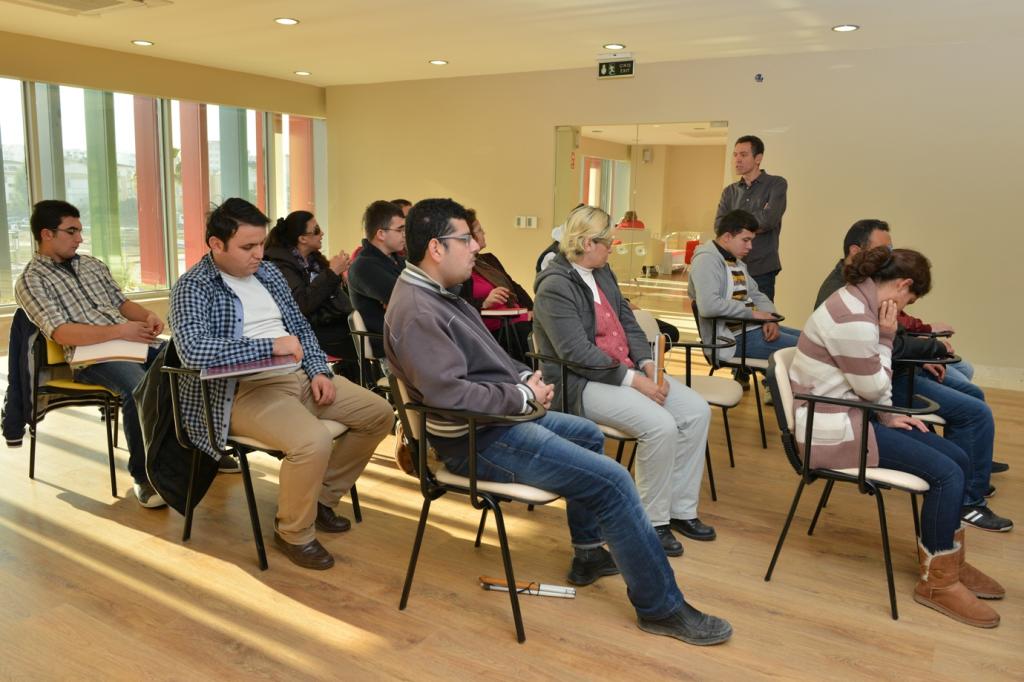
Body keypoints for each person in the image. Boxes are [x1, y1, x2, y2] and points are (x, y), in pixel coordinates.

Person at [384, 197, 732, 646]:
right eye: (466, 239)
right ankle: (661, 607)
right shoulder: (418, 310)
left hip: (494, 423)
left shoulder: (438, 294)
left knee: (586, 434)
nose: (476, 247)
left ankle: (588, 554)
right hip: (477, 440)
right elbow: (450, 396)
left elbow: (488, 360)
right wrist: (522, 394)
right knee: (613, 482)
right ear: (436, 247)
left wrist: (522, 377)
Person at [169, 198, 393, 570]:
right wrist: (268, 346)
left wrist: (319, 370)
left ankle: (319, 499)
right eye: (247, 247)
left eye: (261, 243)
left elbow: (300, 328)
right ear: (216, 244)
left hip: (297, 376)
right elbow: (193, 350)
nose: (259, 254)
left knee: (379, 413)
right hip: (241, 390)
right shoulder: (193, 287)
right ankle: (294, 532)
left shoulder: (268, 273)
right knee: (312, 441)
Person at [790, 246, 1004, 627]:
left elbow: (868, 388)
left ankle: (948, 559)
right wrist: (887, 337)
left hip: (853, 417)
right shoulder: (853, 315)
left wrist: (889, 417)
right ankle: (937, 583)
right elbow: (873, 386)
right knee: (947, 475)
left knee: (958, 457)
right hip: (834, 432)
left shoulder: (859, 302)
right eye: (910, 299)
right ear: (903, 285)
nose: (904, 308)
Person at [533, 205, 715, 553]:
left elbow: (628, 324)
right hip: (581, 383)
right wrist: (634, 380)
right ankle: (651, 522)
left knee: (696, 411)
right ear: (587, 243)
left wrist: (648, 365)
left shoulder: (602, 272)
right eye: (608, 241)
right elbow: (575, 353)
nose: (613, 248)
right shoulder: (554, 286)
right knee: (660, 426)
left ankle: (680, 510)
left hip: (624, 371)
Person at [814, 221, 1011, 519]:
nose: (888, 255)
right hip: (869, 399)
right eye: (884, 249)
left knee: (971, 398)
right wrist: (924, 349)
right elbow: (877, 371)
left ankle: (973, 466)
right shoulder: (850, 300)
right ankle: (969, 497)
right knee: (974, 414)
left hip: (886, 383)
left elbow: (893, 338)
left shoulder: (866, 290)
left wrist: (914, 349)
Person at [14, 199, 181, 509]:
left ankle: (198, 454)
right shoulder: (30, 281)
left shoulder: (92, 264)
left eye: (80, 230)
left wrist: (146, 316)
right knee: (139, 388)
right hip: (92, 356)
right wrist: (121, 331)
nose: (80, 238)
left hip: (134, 340)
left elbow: (121, 304)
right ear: (47, 234)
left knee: (190, 365)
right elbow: (61, 332)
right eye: (72, 231)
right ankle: (145, 476)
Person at [689, 209, 799, 364]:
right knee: (811, 350)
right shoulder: (706, 261)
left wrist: (770, 318)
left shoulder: (735, 262)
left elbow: (756, 295)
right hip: (730, 340)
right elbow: (709, 306)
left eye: (751, 240)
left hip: (750, 328)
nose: (750, 246)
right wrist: (753, 314)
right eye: (745, 240)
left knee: (811, 341)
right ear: (727, 237)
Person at [263, 211, 359, 382]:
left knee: (367, 333)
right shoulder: (281, 265)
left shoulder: (313, 260)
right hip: (310, 330)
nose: (322, 233)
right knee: (364, 340)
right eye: (316, 230)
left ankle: (366, 384)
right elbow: (301, 304)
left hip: (332, 322)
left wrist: (339, 277)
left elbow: (332, 297)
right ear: (302, 238)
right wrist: (332, 272)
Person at [715, 135, 787, 301]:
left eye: (743, 154)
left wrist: (734, 224)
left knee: (761, 313)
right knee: (735, 315)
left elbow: (768, 220)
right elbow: (719, 227)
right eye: (735, 155)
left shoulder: (776, 184)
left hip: (762, 269)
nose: (737, 159)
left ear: (758, 158)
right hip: (732, 268)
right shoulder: (729, 192)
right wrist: (758, 217)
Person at [458, 209, 533, 362]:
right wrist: (485, 302)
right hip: (494, 327)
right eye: (479, 230)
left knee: (543, 326)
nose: (484, 233)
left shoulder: (489, 260)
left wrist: (532, 309)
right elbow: (458, 303)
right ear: (469, 237)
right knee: (527, 332)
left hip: (516, 318)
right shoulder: (460, 269)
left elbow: (514, 287)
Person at [347, 200, 406, 357]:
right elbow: (409, 299)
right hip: (391, 347)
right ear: (381, 234)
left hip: (408, 337)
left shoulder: (398, 259)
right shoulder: (363, 266)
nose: (404, 234)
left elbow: (418, 295)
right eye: (400, 230)